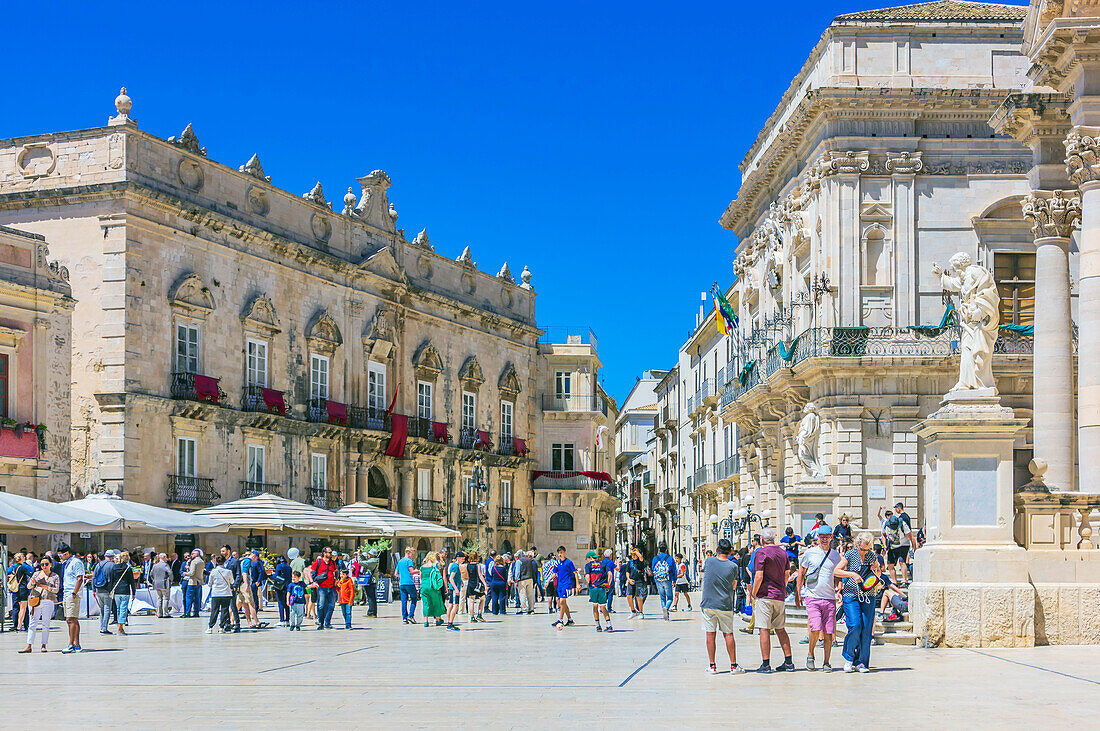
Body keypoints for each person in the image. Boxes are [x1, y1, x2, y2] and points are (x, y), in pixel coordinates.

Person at [795, 524, 841, 671]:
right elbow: (801, 573)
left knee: (828, 632)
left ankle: (826, 662)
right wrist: (798, 592)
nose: (824, 539)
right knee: (815, 628)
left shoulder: (835, 555)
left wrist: (839, 588)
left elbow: (839, 575)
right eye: (821, 537)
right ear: (818, 537)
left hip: (829, 598)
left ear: (831, 537)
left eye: (827, 537)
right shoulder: (810, 553)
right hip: (812, 596)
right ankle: (810, 655)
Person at [834, 532, 881, 673]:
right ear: (857, 544)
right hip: (851, 595)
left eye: (867, 549)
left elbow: (878, 573)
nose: (865, 552)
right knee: (855, 624)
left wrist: (876, 570)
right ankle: (849, 658)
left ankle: (861, 662)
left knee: (866, 629)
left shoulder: (872, 556)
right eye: (863, 549)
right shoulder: (849, 555)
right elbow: (836, 571)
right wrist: (851, 574)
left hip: (868, 595)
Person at [751, 529, 794, 673]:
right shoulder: (783, 553)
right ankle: (788, 662)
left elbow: (759, 576)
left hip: (765, 595)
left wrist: (754, 592)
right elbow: (787, 573)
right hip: (779, 596)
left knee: (764, 629)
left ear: (762, 539)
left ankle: (765, 664)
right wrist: (783, 586)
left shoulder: (761, 553)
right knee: (780, 629)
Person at [700, 538, 745, 675]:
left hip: (708, 603)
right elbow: (734, 585)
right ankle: (733, 666)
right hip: (725, 604)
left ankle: (712, 666)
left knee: (710, 634)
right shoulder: (733, 566)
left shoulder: (708, 561)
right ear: (730, 551)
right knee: (728, 634)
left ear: (717, 550)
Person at [20, 555, 59, 653]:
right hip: (35, 600)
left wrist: (46, 587)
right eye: (42, 564)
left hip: (48, 600)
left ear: (51, 564)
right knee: (32, 624)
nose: (44, 566)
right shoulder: (36, 574)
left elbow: (56, 590)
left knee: (46, 624)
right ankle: (29, 645)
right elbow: (29, 586)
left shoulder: (55, 576)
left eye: (46, 564)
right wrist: (33, 583)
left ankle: (43, 645)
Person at [583, 550, 613, 632]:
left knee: (595, 606)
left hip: (593, 588)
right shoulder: (603, 565)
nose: (587, 560)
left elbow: (588, 577)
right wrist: (608, 585)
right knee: (603, 607)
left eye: (587, 559)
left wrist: (587, 580)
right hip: (602, 588)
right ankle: (609, 625)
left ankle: (598, 626)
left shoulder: (588, 565)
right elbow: (610, 574)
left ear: (590, 557)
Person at [885, 502, 915, 586]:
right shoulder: (887, 525)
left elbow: (911, 535)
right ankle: (895, 582)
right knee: (891, 564)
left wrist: (914, 548)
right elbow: (884, 535)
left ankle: (904, 581)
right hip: (893, 545)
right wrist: (885, 544)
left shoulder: (902, 521)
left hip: (903, 544)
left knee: (902, 562)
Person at [551, 546, 579, 629]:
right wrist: (548, 581)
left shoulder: (569, 562)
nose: (560, 554)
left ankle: (560, 619)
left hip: (566, 584)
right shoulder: (557, 563)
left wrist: (577, 584)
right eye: (559, 552)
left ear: (564, 552)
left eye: (561, 552)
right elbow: (554, 573)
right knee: (563, 603)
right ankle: (570, 619)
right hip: (559, 585)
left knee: (562, 601)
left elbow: (575, 573)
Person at [205, 554, 235, 634]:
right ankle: (221, 627)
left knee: (214, 610)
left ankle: (210, 627)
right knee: (224, 610)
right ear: (224, 562)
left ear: (217, 562)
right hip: (226, 593)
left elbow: (209, 583)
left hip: (216, 594)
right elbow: (232, 581)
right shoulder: (228, 571)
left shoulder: (213, 571)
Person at [311, 547, 338, 630]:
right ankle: (321, 623)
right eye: (329, 552)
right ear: (324, 553)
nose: (331, 554)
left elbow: (336, 571)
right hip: (322, 587)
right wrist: (313, 582)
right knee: (321, 606)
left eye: (331, 552)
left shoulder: (332, 563)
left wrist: (337, 579)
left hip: (331, 587)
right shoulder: (318, 562)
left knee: (331, 606)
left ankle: (327, 623)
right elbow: (310, 571)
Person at [109, 550, 136, 636]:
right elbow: (132, 582)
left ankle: (119, 627)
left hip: (117, 591)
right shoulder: (128, 569)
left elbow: (112, 580)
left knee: (118, 609)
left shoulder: (114, 568)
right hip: (125, 591)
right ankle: (120, 629)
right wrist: (134, 592)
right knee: (123, 609)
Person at [419, 553, 446, 627]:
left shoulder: (422, 567)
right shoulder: (434, 566)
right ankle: (437, 620)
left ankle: (426, 622)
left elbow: (421, 577)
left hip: (424, 587)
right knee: (436, 603)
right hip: (432, 587)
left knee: (425, 604)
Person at [651, 542, 677, 620]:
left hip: (658, 580)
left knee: (662, 597)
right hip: (667, 579)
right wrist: (674, 580)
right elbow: (674, 570)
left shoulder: (655, 558)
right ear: (666, 549)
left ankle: (665, 611)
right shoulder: (670, 558)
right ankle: (666, 608)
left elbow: (653, 568)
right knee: (670, 597)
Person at [94, 550, 118, 633]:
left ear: (105, 556)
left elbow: (94, 577)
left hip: (98, 589)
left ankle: (102, 626)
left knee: (102, 609)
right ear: (112, 557)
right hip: (108, 590)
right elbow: (115, 579)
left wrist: (94, 589)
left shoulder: (99, 564)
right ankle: (104, 628)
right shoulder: (113, 565)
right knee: (107, 608)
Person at [463, 551, 487, 622]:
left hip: (470, 584)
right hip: (477, 585)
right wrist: (485, 584)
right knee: (482, 599)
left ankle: (472, 617)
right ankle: (479, 615)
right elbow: (480, 575)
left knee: (471, 601)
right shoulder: (478, 565)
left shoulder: (468, 565)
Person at [396, 547, 418, 625]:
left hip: (402, 583)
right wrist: (419, 571)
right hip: (409, 583)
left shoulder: (400, 561)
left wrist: (402, 576)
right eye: (412, 554)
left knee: (404, 601)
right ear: (408, 553)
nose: (413, 556)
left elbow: (396, 574)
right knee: (414, 599)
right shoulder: (409, 561)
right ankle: (411, 615)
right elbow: (412, 571)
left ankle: (404, 618)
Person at [626, 545, 648, 618]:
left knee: (638, 597)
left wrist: (636, 551)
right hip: (631, 581)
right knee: (629, 596)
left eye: (635, 554)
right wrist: (629, 579)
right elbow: (627, 572)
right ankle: (633, 611)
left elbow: (641, 557)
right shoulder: (629, 562)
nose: (634, 556)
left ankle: (641, 612)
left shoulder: (641, 561)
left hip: (639, 581)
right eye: (632, 554)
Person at [149, 553, 173, 619]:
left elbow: (151, 574)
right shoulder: (165, 565)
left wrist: (154, 580)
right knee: (165, 598)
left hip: (157, 584)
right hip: (164, 583)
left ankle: (159, 613)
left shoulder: (155, 565)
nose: (167, 559)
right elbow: (170, 573)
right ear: (163, 557)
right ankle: (165, 613)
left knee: (159, 598)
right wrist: (171, 580)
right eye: (166, 557)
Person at [272, 556, 292, 627]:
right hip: (288, 586)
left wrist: (272, 574)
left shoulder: (279, 566)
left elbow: (276, 576)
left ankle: (281, 620)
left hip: (281, 587)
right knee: (287, 603)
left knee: (280, 603)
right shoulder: (289, 567)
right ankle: (287, 620)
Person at [360, 548, 380, 617]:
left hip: (371, 581)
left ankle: (371, 612)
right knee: (372, 597)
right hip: (372, 581)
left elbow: (361, 563)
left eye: (369, 553)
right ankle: (372, 611)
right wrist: (361, 555)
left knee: (370, 597)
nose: (368, 554)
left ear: (372, 555)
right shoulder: (373, 560)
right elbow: (366, 560)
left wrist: (359, 556)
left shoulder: (373, 561)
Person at [185, 549, 204, 618]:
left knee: (189, 597)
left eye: (193, 554)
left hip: (193, 581)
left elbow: (192, 573)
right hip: (199, 581)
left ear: (197, 554)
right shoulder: (202, 561)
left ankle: (187, 613)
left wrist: (185, 573)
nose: (191, 555)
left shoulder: (194, 561)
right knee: (197, 598)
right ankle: (196, 612)